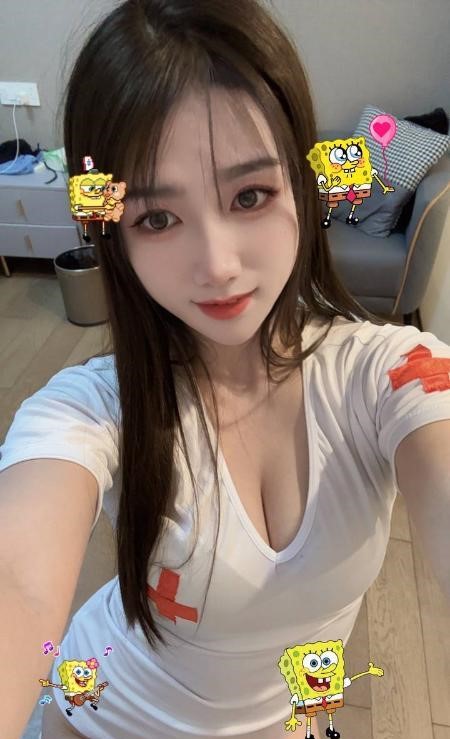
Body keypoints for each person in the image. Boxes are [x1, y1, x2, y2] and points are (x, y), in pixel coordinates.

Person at [1, 1, 449, 738]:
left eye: (250, 195)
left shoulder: (390, 374)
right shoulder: (88, 410)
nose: (217, 264)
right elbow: (16, 582)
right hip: (105, 714)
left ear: (300, 183)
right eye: (157, 218)